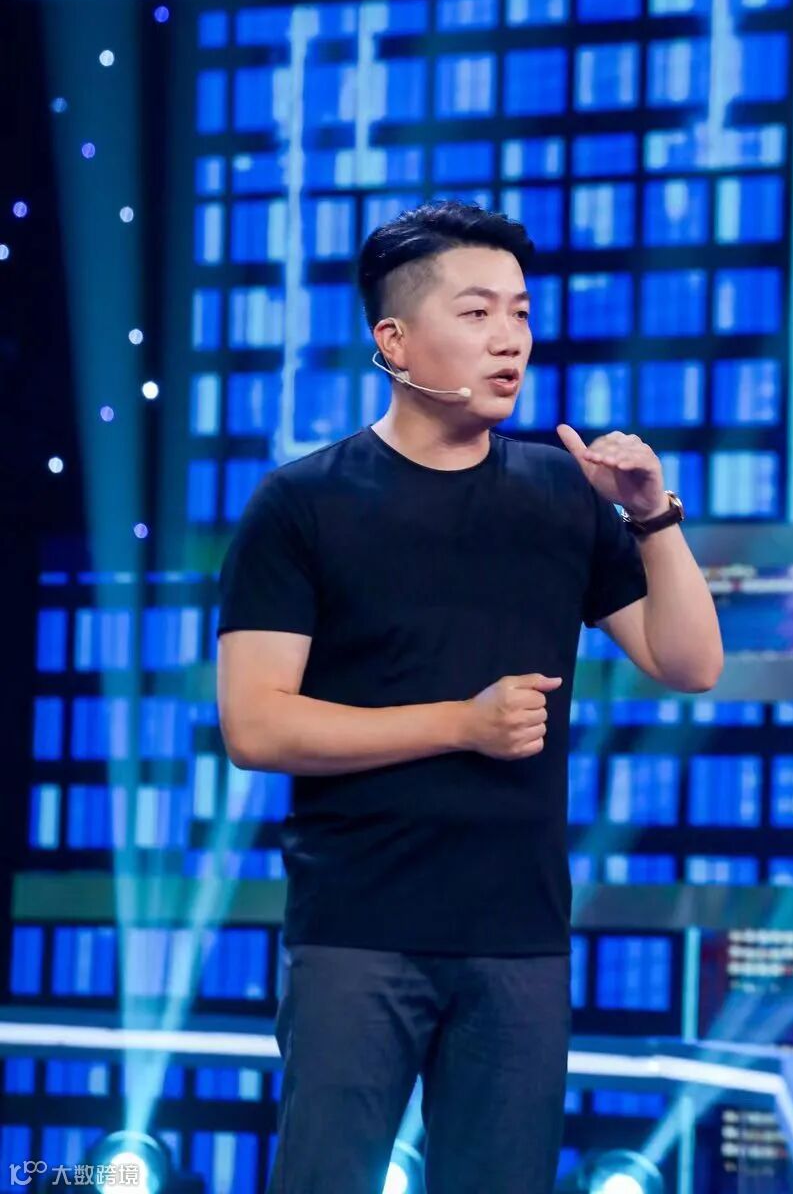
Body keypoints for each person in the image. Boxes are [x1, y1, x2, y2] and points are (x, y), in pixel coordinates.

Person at [215, 200, 723, 1194]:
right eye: (478, 312)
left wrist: (650, 516)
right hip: (357, 928)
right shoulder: (302, 502)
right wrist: (461, 724)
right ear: (393, 341)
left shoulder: (561, 494)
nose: (510, 339)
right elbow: (256, 724)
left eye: (520, 313)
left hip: (517, 936)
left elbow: (689, 662)